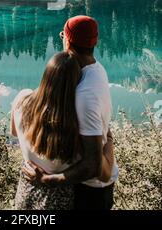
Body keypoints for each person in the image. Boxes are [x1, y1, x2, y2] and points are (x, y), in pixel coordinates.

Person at [22, 15, 118, 210]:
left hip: (89, 191)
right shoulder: (96, 70)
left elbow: (93, 166)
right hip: (95, 186)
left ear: (67, 41)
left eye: (62, 36)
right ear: (95, 41)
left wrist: (49, 180)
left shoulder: (83, 95)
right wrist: (109, 141)